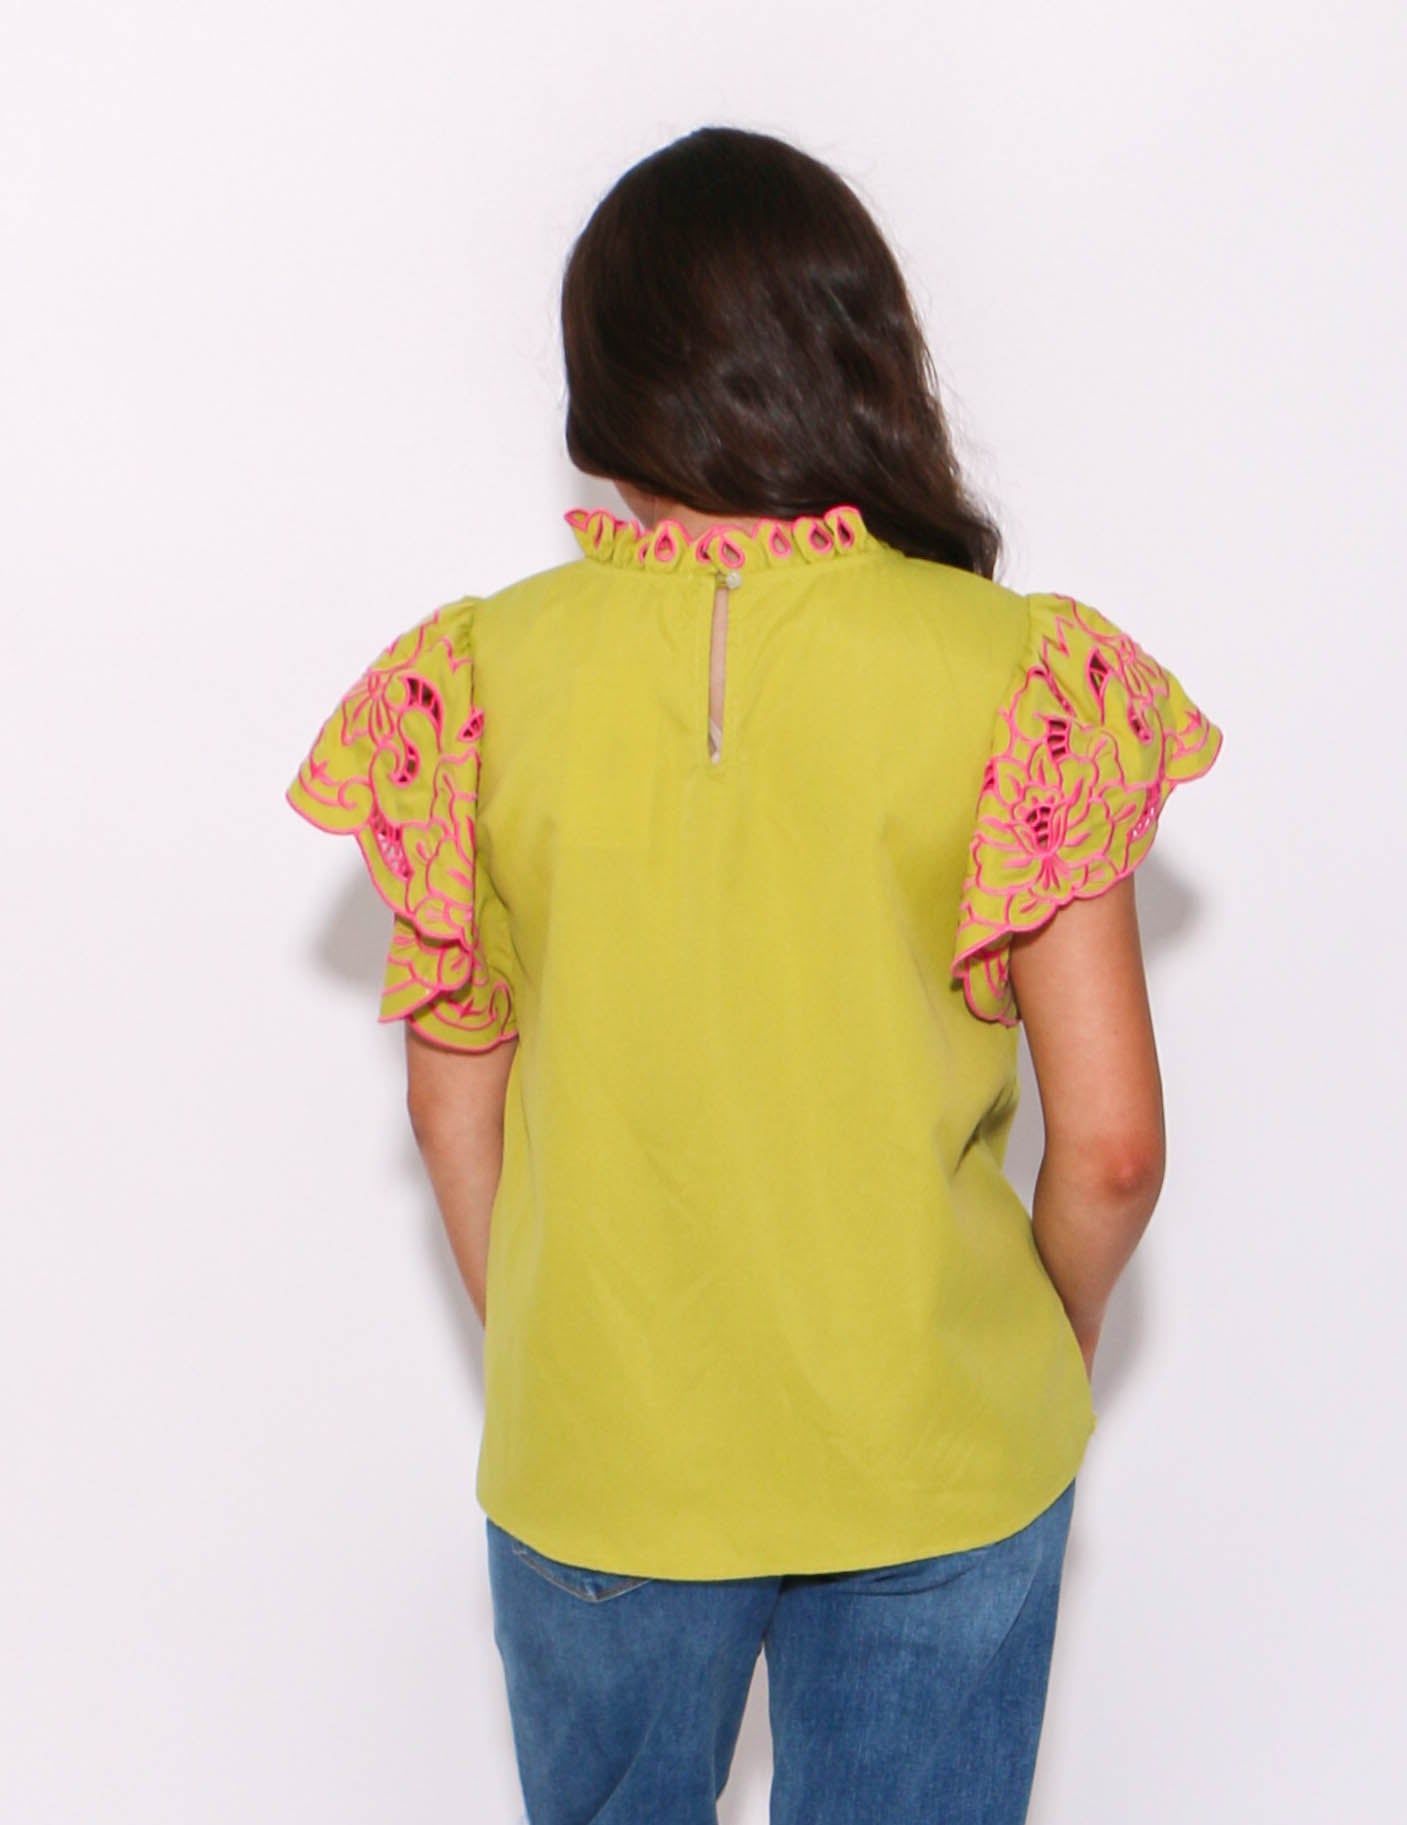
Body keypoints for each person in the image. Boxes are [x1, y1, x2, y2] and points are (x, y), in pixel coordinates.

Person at [285, 125, 1223, 1825]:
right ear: (862, 354)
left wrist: (580, 1373)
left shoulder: (471, 684)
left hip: (606, 1454)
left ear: (606, 384)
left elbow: (449, 1111)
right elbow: (1112, 1149)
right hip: (936, 1436)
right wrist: (1042, 1339)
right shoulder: (1025, 680)